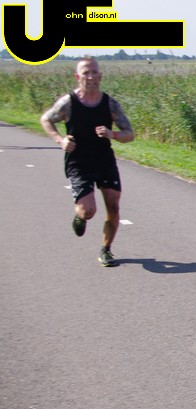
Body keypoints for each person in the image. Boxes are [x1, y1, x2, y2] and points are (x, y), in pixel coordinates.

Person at [40, 57, 135, 266]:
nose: (90, 77)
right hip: (79, 161)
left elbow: (130, 134)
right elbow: (46, 119)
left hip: (104, 160)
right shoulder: (68, 103)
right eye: (85, 73)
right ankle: (80, 217)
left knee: (113, 206)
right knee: (88, 211)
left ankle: (106, 250)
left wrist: (112, 134)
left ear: (100, 76)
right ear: (77, 76)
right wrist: (60, 140)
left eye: (94, 72)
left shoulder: (110, 104)